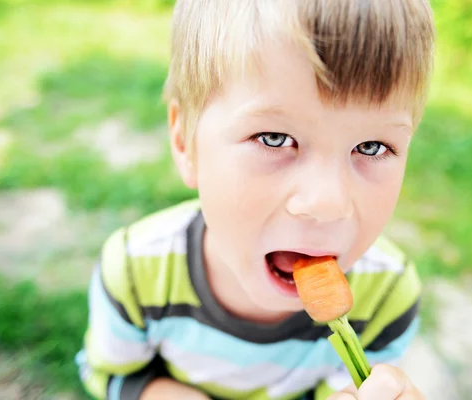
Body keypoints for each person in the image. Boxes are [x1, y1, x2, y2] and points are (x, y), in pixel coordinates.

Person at [75, 0, 435, 398]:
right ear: (185, 142)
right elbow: (109, 374)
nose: (326, 201)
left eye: (371, 147)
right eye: (274, 139)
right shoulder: (135, 272)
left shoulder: (387, 295)